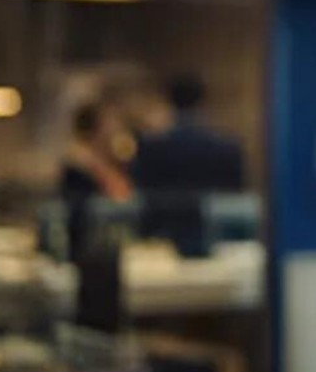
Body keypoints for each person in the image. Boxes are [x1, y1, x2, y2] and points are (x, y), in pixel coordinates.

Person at [131, 73, 247, 257]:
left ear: (168, 102)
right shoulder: (225, 147)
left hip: (161, 245)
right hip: (216, 241)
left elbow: (140, 191)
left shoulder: (150, 147)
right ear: (202, 102)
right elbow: (236, 193)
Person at [58, 101, 133, 258]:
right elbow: (119, 194)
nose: (115, 129)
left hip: (99, 242)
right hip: (87, 245)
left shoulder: (102, 158)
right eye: (110, 122)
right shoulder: (80, 161)